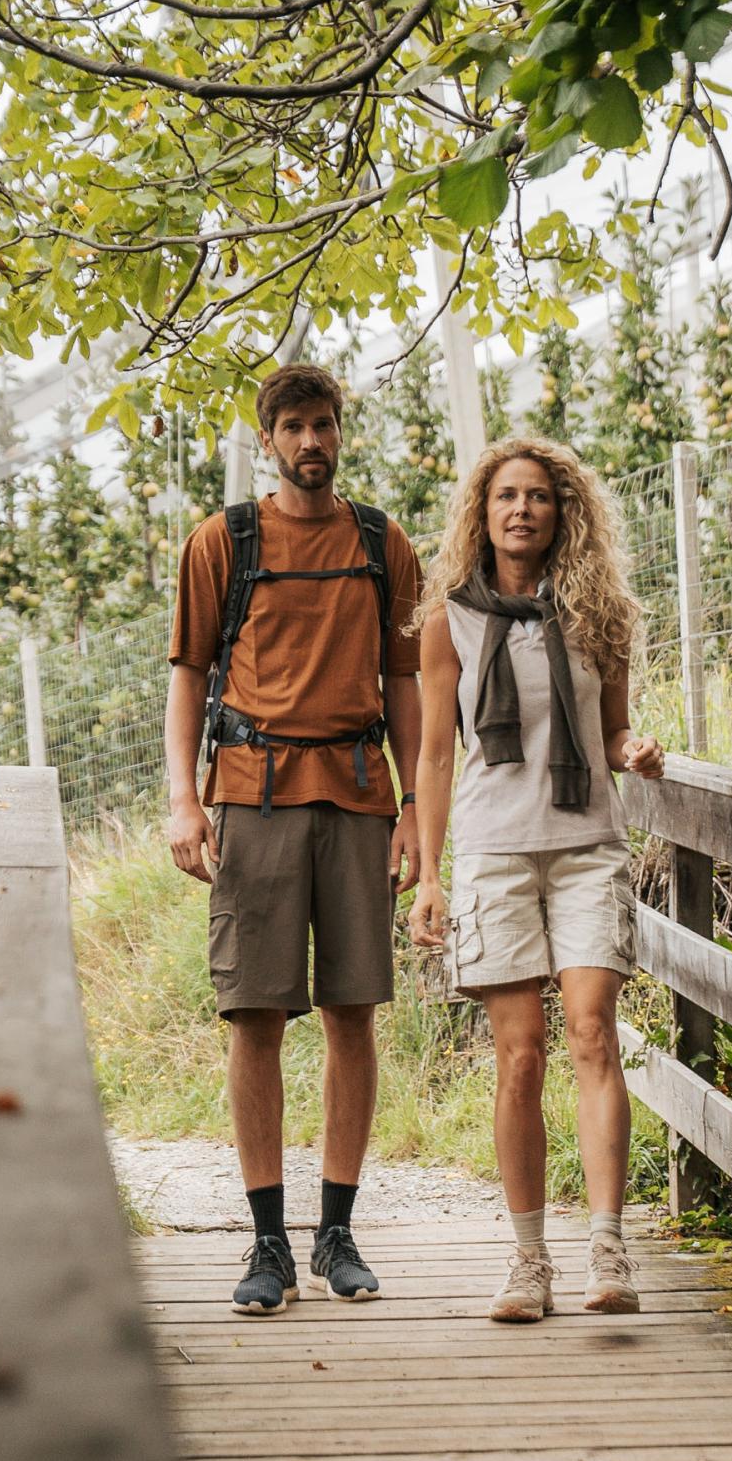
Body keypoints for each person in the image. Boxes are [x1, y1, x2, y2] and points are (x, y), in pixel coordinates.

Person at [165, 364, 424, 1316]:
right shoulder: (222, 542)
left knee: (354, 1013)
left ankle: (336, 1234)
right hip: (250, 794)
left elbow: (406, 683)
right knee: (256, 1016)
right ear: (267, 439)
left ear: (339, 433)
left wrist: (415, 809)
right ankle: (268, 1241)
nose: (311, 442)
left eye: (323, 425)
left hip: (358, 796)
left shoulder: (382, 542)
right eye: (294, 428)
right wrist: (183, 800)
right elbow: (189, 674)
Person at [410, 436, 663, 1325]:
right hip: (494, 851)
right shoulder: (448, 620)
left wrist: (635, 750)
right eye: (506, 496)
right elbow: (435, 755)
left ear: (565, 513)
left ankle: (608, 1246)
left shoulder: (600, 612)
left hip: (587, 843)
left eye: (540, 496)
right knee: (519, 1056)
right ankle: (527, 1260)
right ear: (482, 513)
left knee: (593, 1033)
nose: (522, 509)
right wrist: (429, 875)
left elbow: (615, 730)